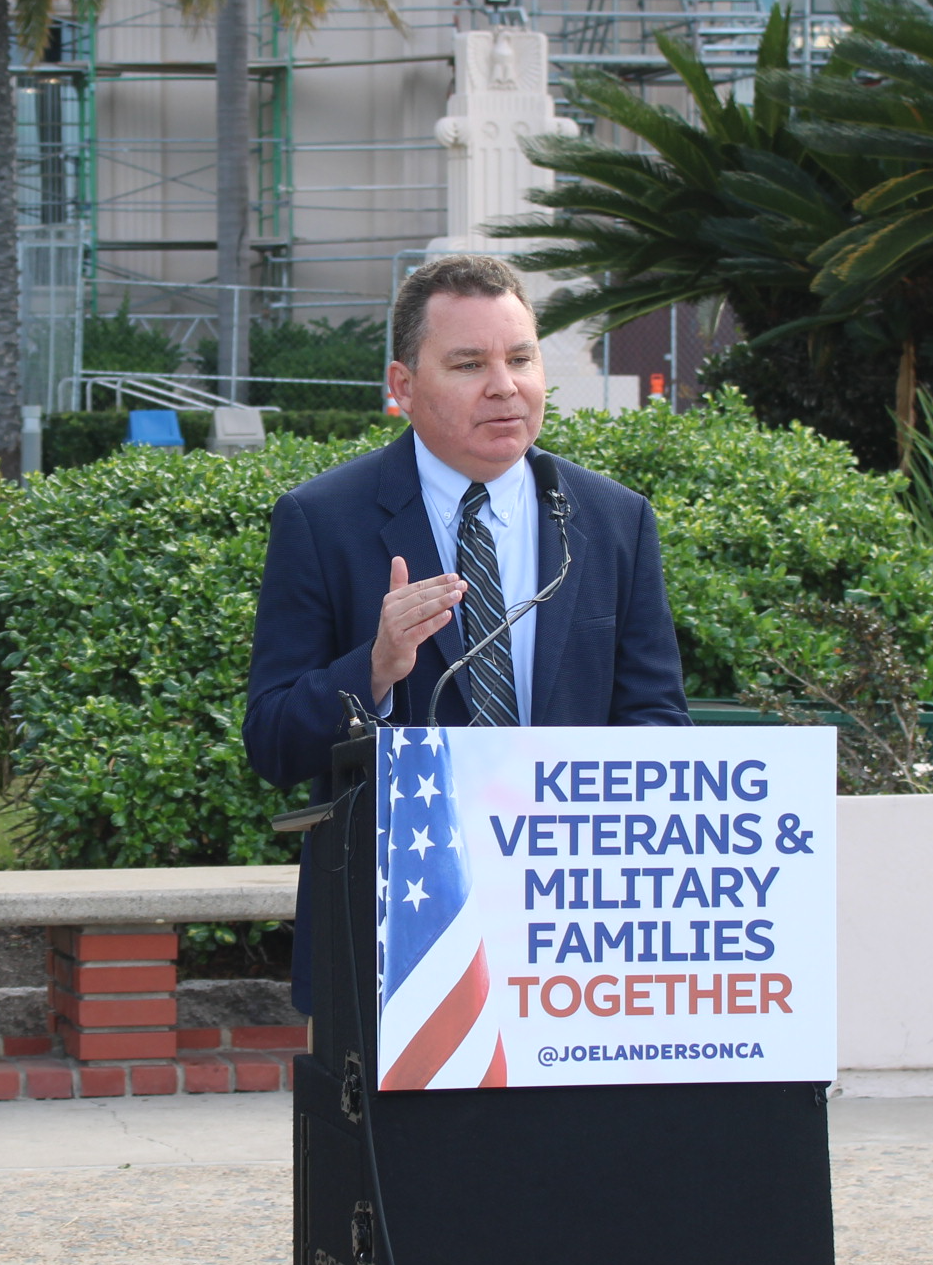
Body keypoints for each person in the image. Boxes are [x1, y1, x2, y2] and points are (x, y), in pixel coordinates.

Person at [243, 251, 689, 1009]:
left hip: (570, 927)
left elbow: (656, 725)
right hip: (395, 930)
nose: (504, 386)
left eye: (520, 358)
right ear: (402, 387)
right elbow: (272, 740)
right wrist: (376, 668)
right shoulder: (324, 522)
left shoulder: (613, 521)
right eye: (468, 363)